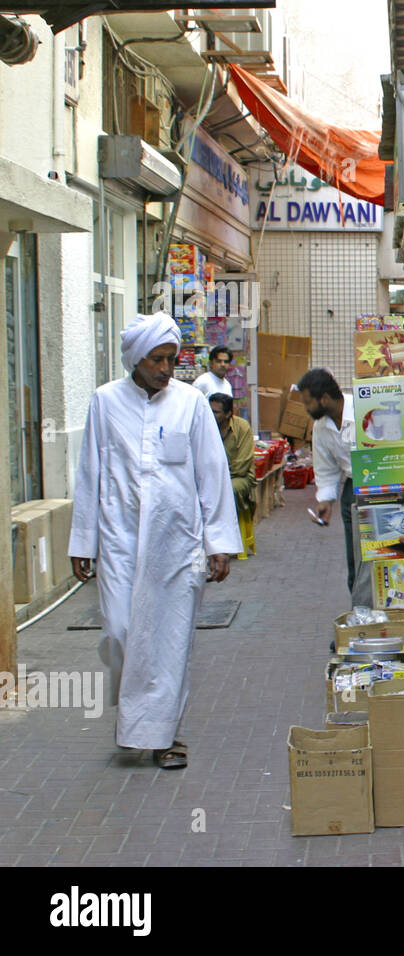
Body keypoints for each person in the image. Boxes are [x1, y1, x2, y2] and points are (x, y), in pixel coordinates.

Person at [68, 312, 242, 770]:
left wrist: (218, 542)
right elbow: (89, 472)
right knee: (121, 631)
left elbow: (212, 474)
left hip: (176, 544)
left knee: (168, 640)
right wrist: (83, 541)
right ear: (135, 359)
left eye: (171, 359)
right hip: (120, 541)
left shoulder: (190, 403)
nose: (166, 369)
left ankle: (165, 735)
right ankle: (137, 716)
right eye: (157, 360)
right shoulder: (105, 403)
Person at [297, 368, 356, 594]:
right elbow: (325, 467)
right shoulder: (321, 427)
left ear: (324, 399)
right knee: (355, 556)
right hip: (353, 488)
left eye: (308, 402)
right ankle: (359, 605)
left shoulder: (361, 408)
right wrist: (325, 500)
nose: (306, 408)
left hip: (383, 483)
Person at [209, 392, 256, 559]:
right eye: (210, 410)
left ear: (228, 414)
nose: (211, 414)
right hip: (213, 478)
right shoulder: (206, 427)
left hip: (238, 477)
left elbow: (242, 465)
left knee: (229, 491)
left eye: (216, 412)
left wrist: (219, 479)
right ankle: (209, 542)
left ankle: (227, 540)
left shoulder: (242, 427)